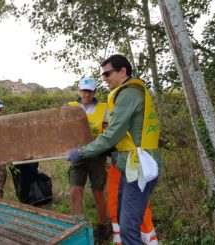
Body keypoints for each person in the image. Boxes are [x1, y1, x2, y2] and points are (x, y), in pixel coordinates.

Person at [67, 54, 163, 244]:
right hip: (131, 164)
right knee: (122, 217)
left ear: (123, 71)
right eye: (103, 75)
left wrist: (82, 152)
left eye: (108, 73)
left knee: (128, 227)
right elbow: (128, 135)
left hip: (138, 166)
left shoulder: (128, 93)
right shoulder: (132, 91)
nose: (104, 79)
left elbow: (112, 134)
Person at [68, 77, 110, 244]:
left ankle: (103, 227)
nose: (87, 94)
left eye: (90, 91)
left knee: (98, 192)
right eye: (84, 90)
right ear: (79, 91)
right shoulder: (70, 108)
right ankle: (78, 227)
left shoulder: (104, 108)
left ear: (94, 92)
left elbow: (107, 132)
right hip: (77, 156)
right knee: (75, 191)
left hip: (97, 156)